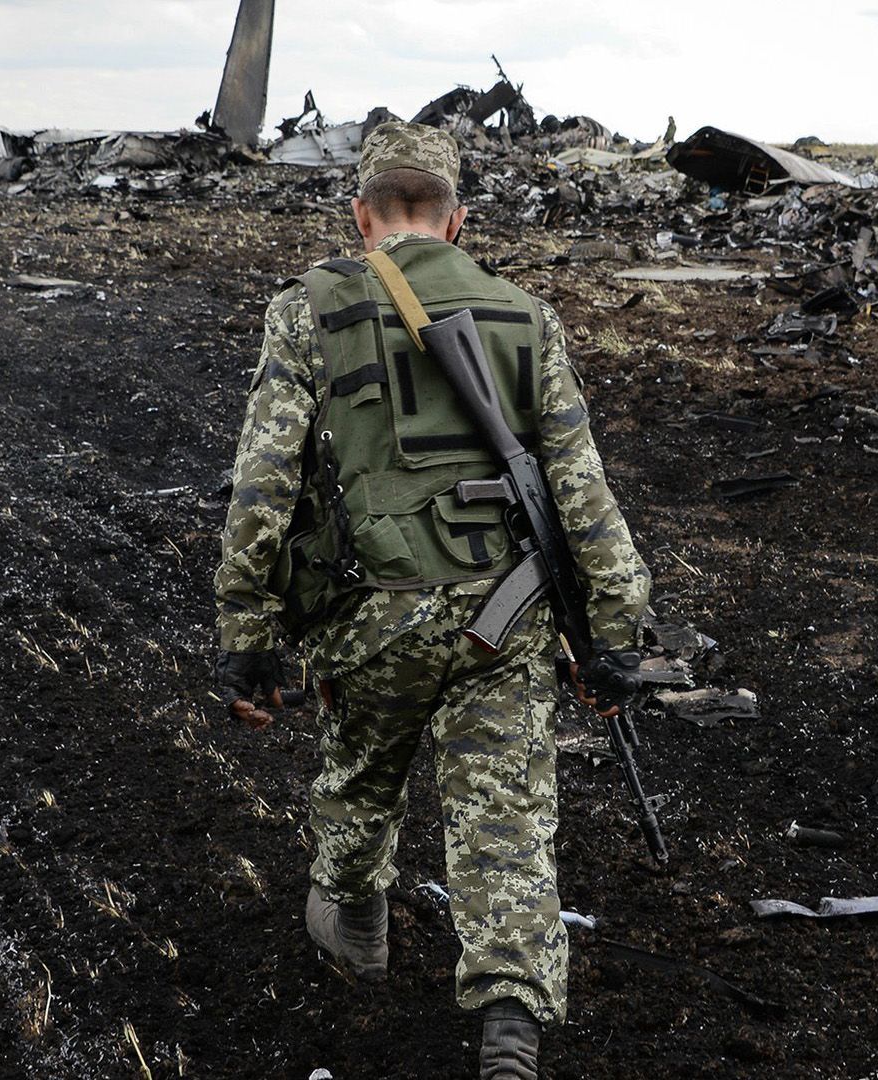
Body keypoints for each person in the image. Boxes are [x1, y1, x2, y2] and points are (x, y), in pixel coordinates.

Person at [211, 121, 651, 1079]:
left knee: (362, 779)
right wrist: (616, 632)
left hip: (371, 618)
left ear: (361, 213)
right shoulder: (526, 315)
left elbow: (263, 484)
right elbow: (582, 490)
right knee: (504, 815)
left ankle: (357, 922)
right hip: (507, 617)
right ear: (457, 219)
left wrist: (247, 631)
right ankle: (508, 1026)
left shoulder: (310, 307)